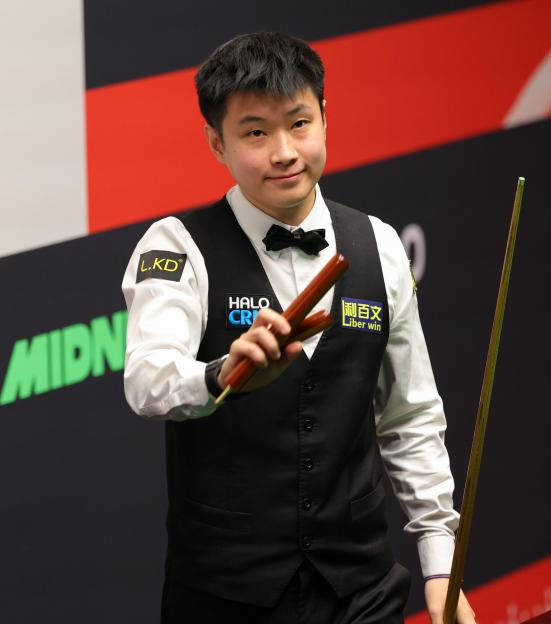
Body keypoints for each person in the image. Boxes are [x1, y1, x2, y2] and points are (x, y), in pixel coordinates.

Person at [122, 32, 476, 624]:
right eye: (255, 132)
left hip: (360, 591)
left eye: (299, 123)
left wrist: (442, 565)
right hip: (225, 600)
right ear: (217, 142)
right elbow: (147, 380)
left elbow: (409, 416)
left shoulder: (380, 246)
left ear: (325, 119)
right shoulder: (177, 246)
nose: (284, 151)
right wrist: (220, 376)